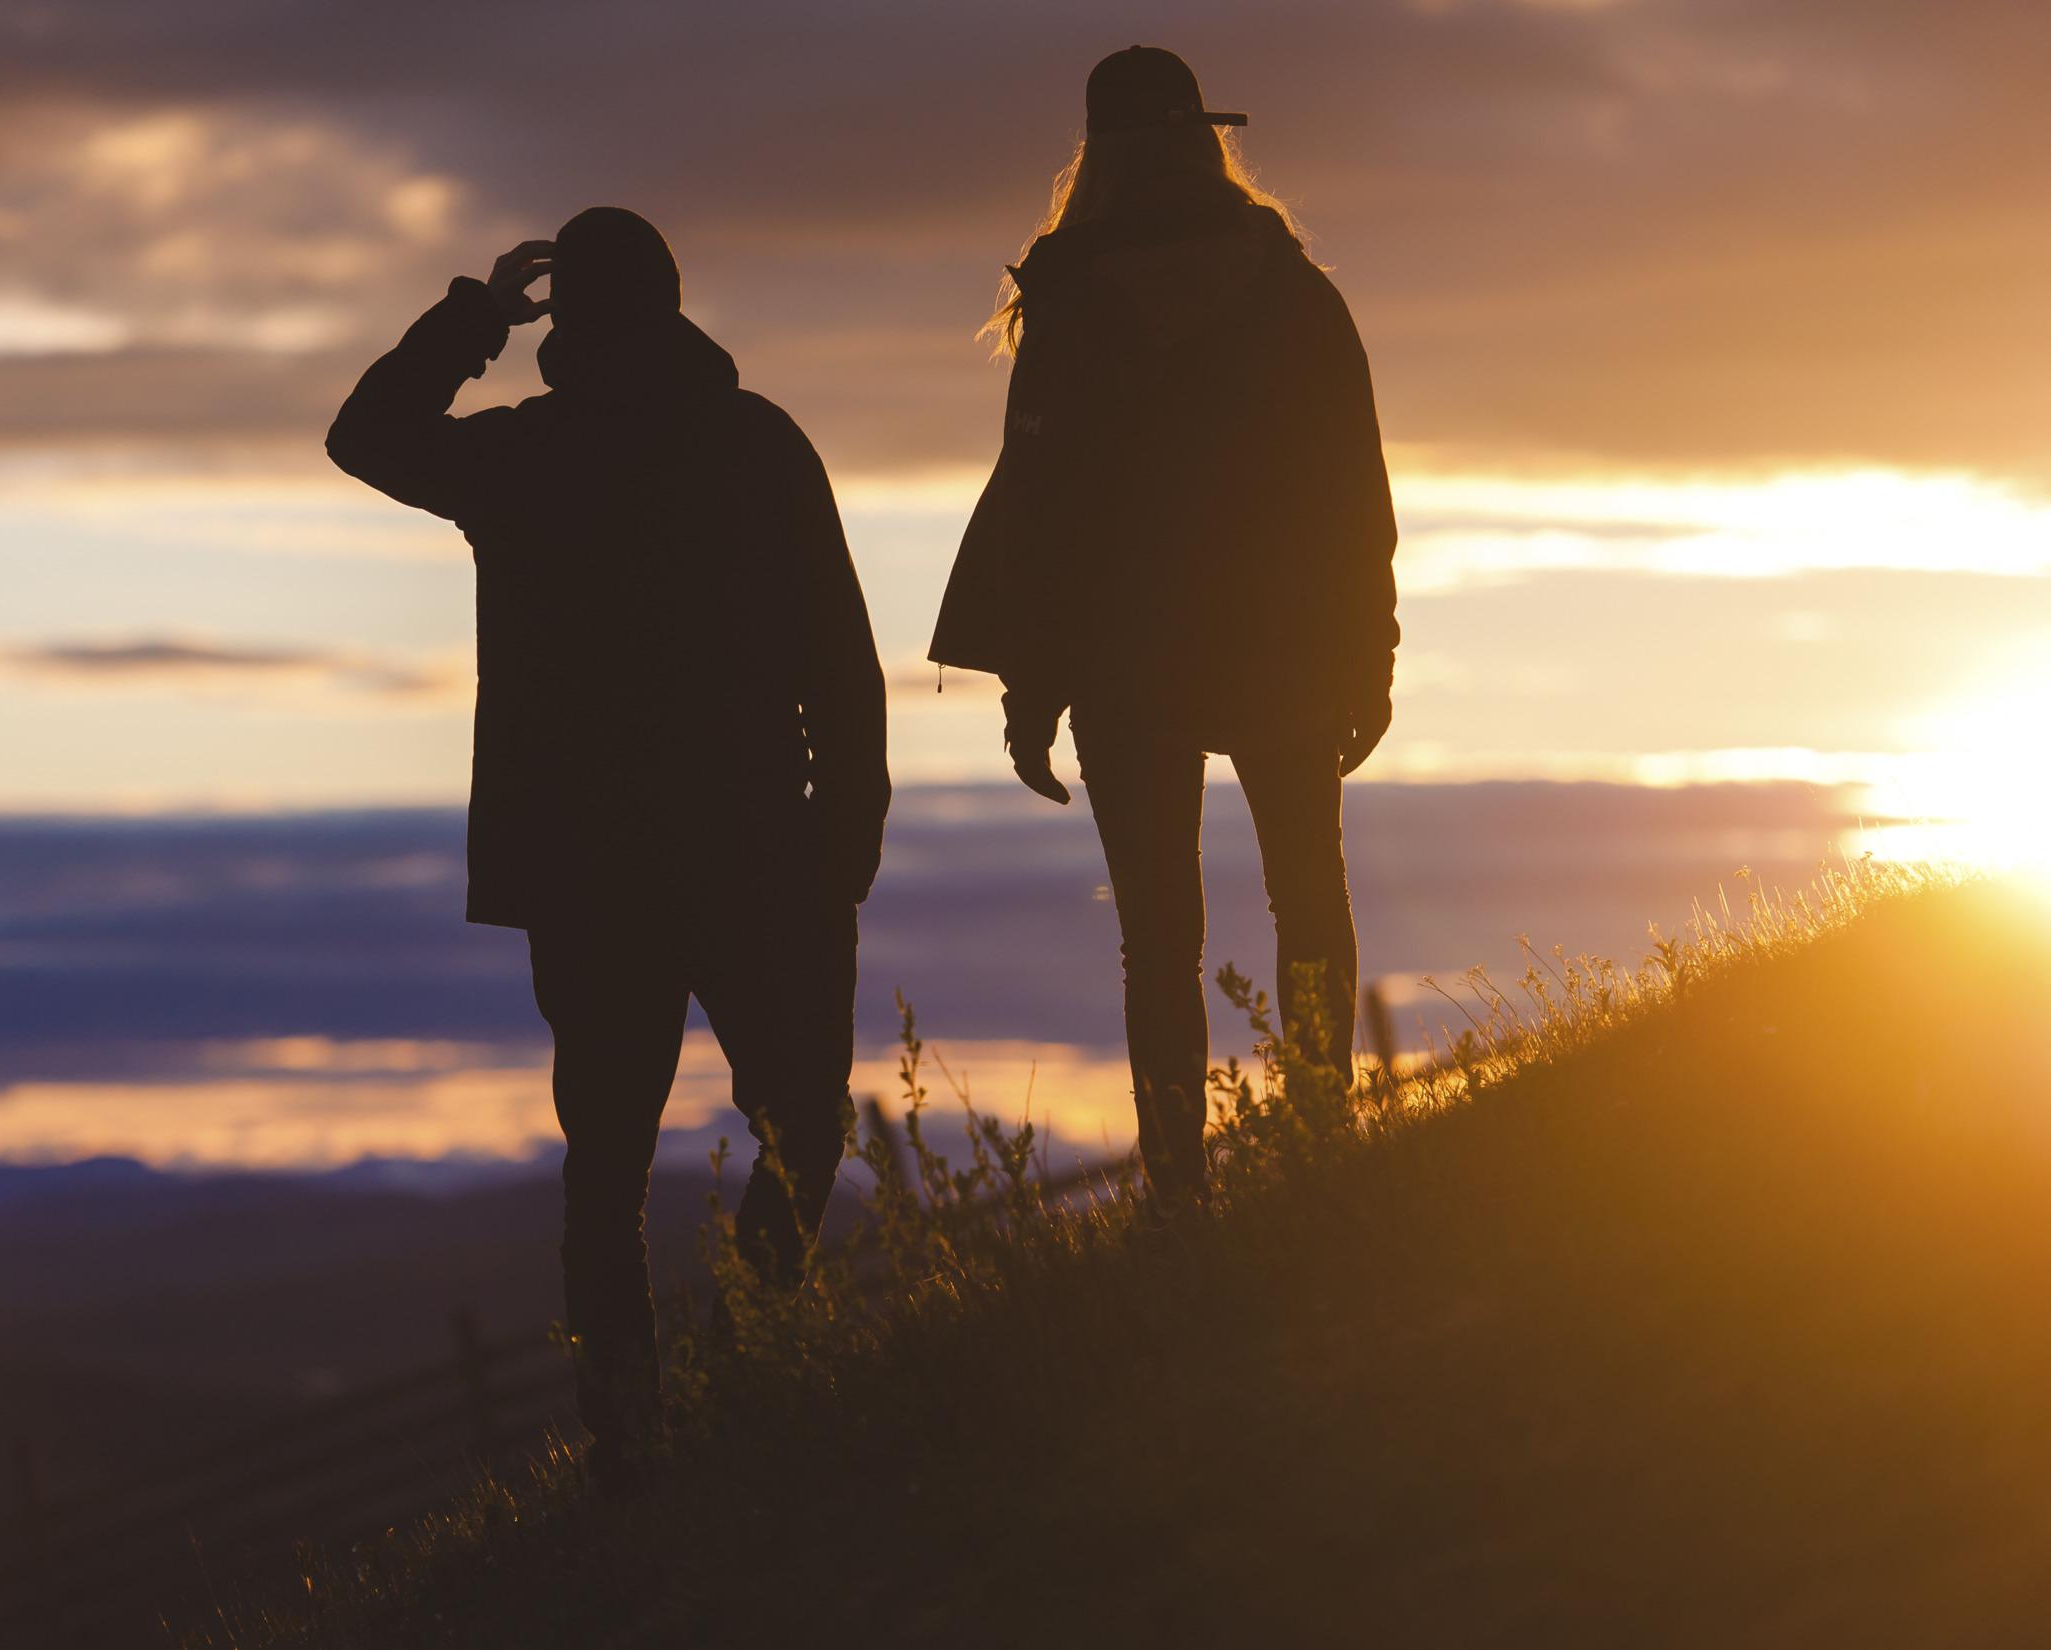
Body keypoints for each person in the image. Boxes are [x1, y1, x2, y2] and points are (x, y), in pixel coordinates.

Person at [326, 207, 890, 1483]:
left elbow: (362, 436)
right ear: (677, 305)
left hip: (589, 865)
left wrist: (476, 317)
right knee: (801, 1119)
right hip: (758, 843)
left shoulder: (524, 457)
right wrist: (847, 826)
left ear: (562, 321)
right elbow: (838, 655)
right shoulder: (757, 443)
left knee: (609, 1155)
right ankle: (745, 1364)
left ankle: (630, 1425)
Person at [929, 47, 1399, 1209]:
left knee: (1157, 937)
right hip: (1281, 643)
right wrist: (1367, 651)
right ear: (1206, 140)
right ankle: (1317, 1139)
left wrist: (1029, 689)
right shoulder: (1290, 292)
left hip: (1123, 660)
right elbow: (1352, 486)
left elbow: (1037, 501)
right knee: (1307, 891)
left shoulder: (1069, 300)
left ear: (1094, 160)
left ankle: (1177, 1190)